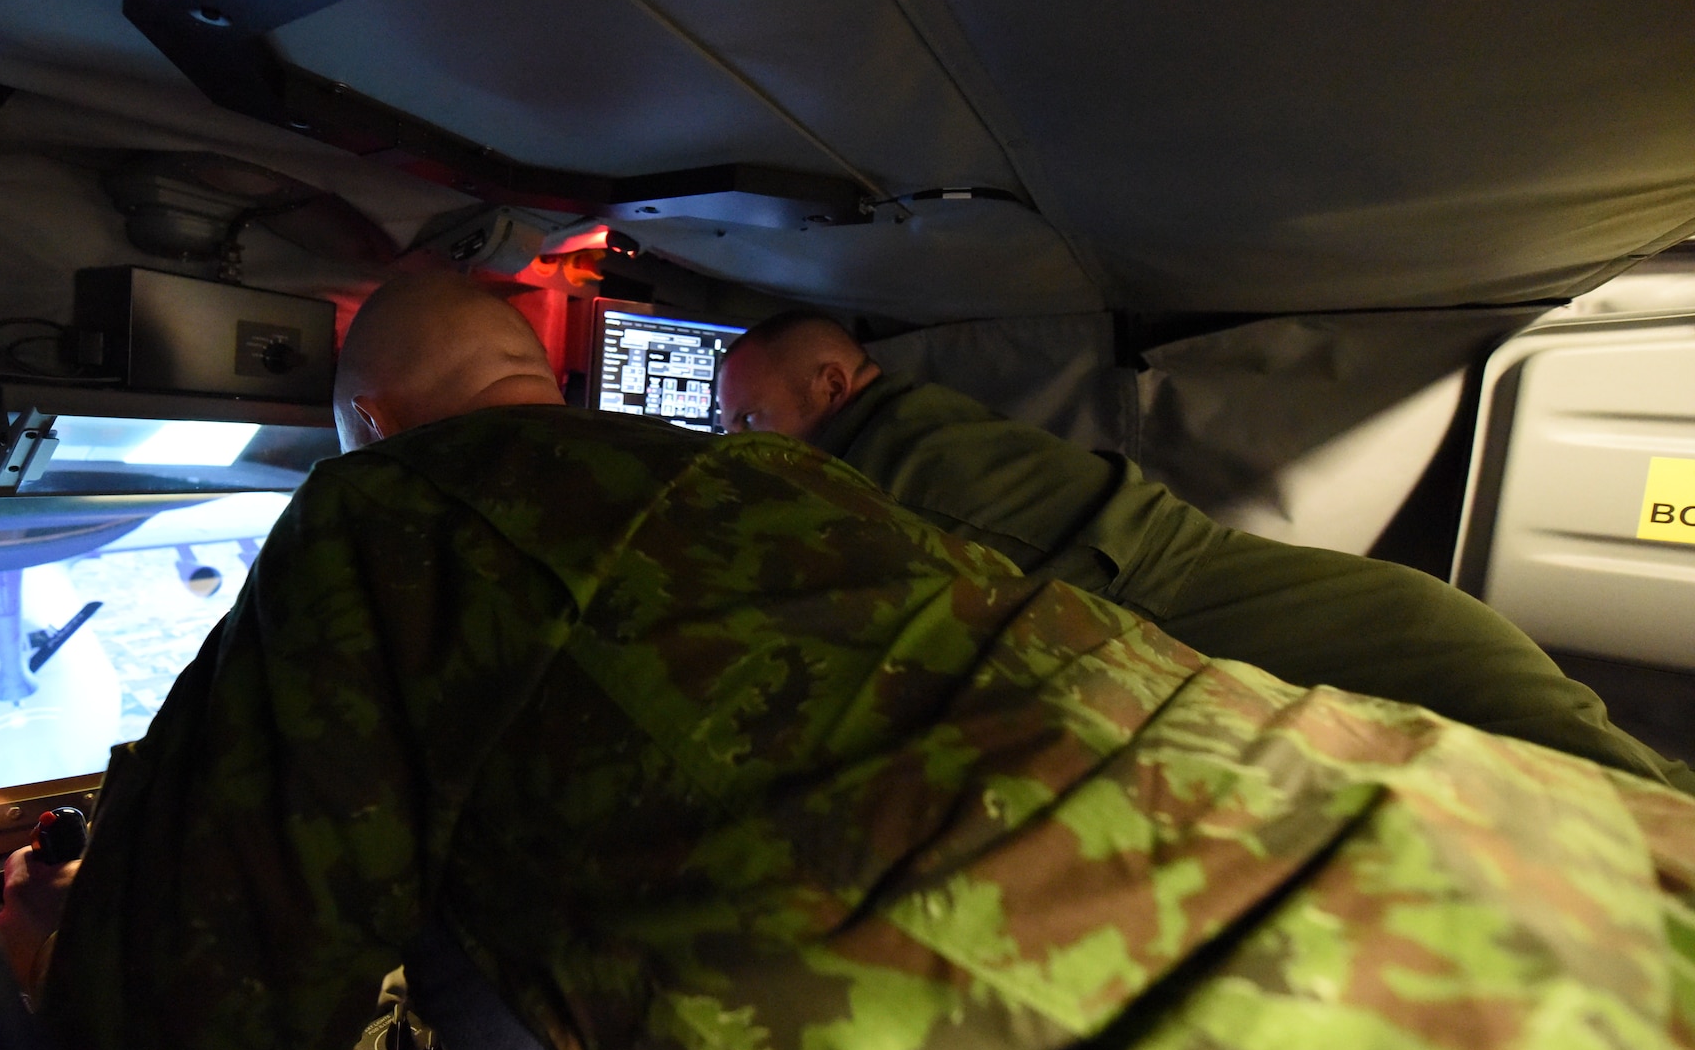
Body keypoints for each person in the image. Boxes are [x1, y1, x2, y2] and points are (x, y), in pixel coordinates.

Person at [6, 275, 1695, 1050]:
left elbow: (209, 980)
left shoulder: (389, 512)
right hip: (1546, 868)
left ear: (368, 417)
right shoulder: (811, 486)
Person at [717, 310, 1695, 793]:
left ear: (833, 383)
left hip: (1389, 636)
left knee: (1618, 799)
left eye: (750, 417)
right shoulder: (911, 442)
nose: (738, 443)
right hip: (1390, 622)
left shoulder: (900, 457)